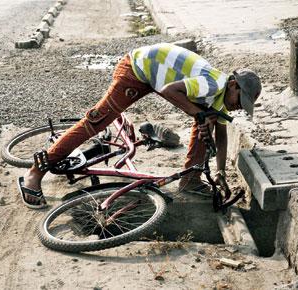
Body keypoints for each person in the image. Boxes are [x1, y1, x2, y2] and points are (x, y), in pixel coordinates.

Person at [17, 42, 261, 209]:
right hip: (137, 68)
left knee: (205, 120)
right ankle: (35, 172)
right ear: (233, 85)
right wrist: (198, 114)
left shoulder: (220, 97)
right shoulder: (213, 84)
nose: (239, 107)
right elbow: (170, 90)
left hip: (156, 75)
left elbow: (221, 134)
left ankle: (191, 180)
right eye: (241, 101)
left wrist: (219, 172)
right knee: (98, 119)